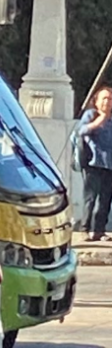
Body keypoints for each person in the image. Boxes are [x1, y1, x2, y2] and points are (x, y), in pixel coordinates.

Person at [78, 87, 112, 242]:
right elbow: (81, 131)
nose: (107, 102)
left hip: (109, 164)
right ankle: (85, 228)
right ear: (97, 101)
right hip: (93, 163)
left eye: (110, 99)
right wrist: (100, 121)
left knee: (105, 199)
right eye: (104, 98)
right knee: (90, 198)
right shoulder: (91, 115)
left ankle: (100, 230)